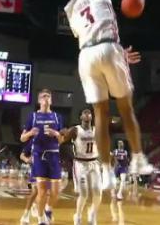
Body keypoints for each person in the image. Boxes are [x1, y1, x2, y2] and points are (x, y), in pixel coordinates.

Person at [64, 0, 153, 189]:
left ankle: (105, 172)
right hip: (108, 48)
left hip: (86, 56)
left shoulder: (70, 10)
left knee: (100, 115)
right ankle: (139, 159)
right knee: (125, 107)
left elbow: (91, 33)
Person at [20, 89, 64, 225]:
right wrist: (30, 133)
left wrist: (56, 134)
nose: (46, 98)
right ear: (39, 101)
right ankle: (40, 220)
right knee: (41, 191)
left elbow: (62, 139)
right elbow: (22, 138)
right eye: (43, 96)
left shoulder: (58, 117)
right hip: (39, 156)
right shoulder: (32, 116)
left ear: (51, 100)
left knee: (56, 192)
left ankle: (48, 209)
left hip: (54, 155)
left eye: (48, 96)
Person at [62, 109, 101, 225]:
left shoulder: (96, 130)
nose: (87, 114)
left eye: (89, 113)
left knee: (98, 192)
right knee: (84, 193)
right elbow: (63, 141)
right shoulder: (75, 130)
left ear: (91, 117)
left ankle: (92, 213)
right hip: (80, 164)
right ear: (81, 117)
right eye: (85, 113)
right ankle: (77, 216)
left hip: (94, 162)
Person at [19, 139, 38, 224]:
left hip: (47, 167)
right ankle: (25, 215)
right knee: (35, 191)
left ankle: (37, 208)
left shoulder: (50, 139)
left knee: (44, 192)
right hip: (36, 168)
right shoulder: (33, 141)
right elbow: (22, 155)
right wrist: (27, 160)